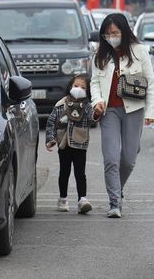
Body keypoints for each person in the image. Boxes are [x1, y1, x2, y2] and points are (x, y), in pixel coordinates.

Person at [90, 13, 154, 218]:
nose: (112, 37)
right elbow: (94, 82)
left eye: (115, 33)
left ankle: (117, 191)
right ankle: (114, 203)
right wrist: (97, 101)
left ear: (124, 32)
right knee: (111, 157)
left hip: (133, 109)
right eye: (108, 34)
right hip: (109, 111)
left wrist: (151, 112)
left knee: (128, 158)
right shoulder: (99, 55)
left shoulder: (139, 52)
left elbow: (151, 82)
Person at [45, 74, 98, 214]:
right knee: (64, 172)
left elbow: (93, 118)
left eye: (83, 87)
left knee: (80, 173)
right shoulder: (61, 104)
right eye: (76, 86)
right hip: (64, 144)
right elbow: (51, 122)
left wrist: (98, 113)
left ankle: (82, 199)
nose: (78, 89)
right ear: (70, 87)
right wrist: (50, 139)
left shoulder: (87, 106)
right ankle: (63, 198)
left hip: (80, 145)